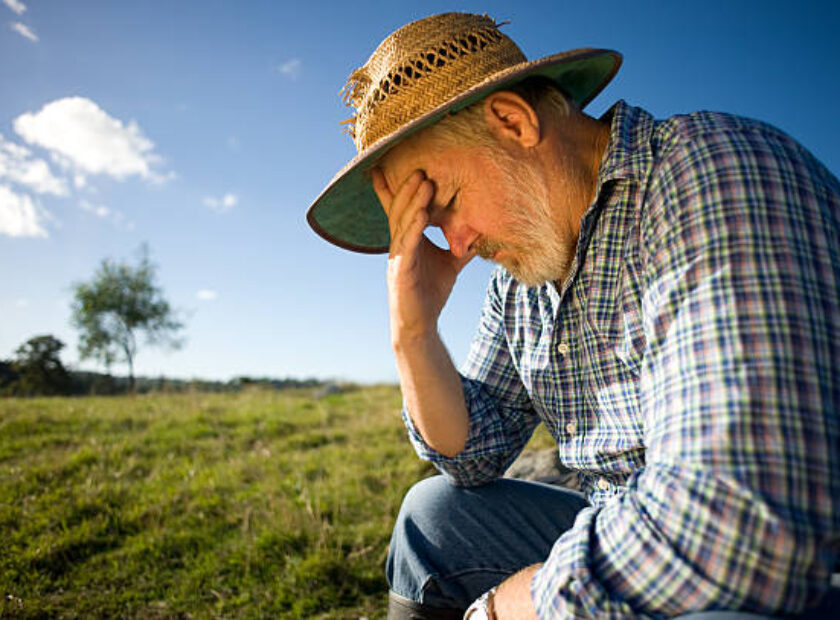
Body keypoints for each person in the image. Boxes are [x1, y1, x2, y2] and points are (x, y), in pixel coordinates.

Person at [306, 12, 840, 620]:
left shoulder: (713, 173)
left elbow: (731, 531)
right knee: (435, 519)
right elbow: (472, 453)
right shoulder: (525, 276)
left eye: (448, 202)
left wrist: (502, 609)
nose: (455, 245)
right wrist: (414, 333)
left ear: (513, 121)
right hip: (625, 527)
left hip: (791, 568)